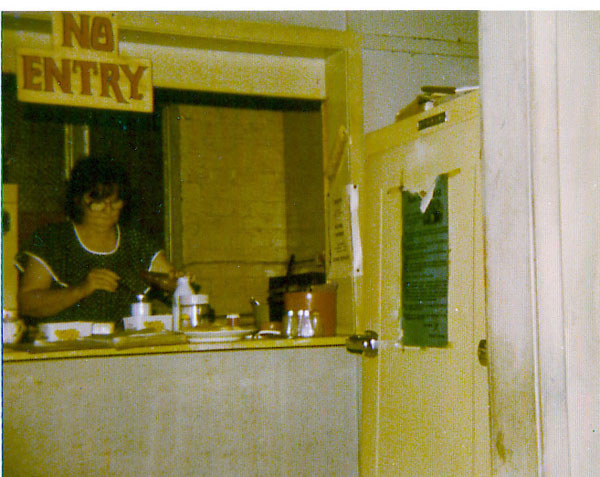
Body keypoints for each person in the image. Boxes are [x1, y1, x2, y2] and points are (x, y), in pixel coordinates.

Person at [18, 155, 178, 326]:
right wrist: (81, 290)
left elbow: (172, 282)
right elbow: (27, 304)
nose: (107, 210)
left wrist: (178, 283)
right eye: (98, 202)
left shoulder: (136, 242)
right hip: (67, 346)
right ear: (78, 200)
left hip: (124, 345)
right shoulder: (52, 239)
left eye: (115, 202)